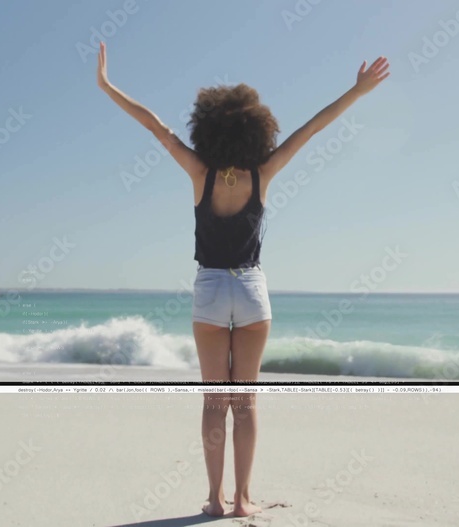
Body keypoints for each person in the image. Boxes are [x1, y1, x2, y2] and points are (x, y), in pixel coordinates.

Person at [97, 41, 390, 518]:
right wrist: (357, 92)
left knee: (215, 402)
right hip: (251, 290)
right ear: (257, 129)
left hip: (211, 288)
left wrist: (107, 86)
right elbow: (312, 128)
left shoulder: (200, 172)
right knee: (246, 403)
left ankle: (214, 499)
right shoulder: (263, 172)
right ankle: (242, 501)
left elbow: (155, 127)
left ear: (208, 128)